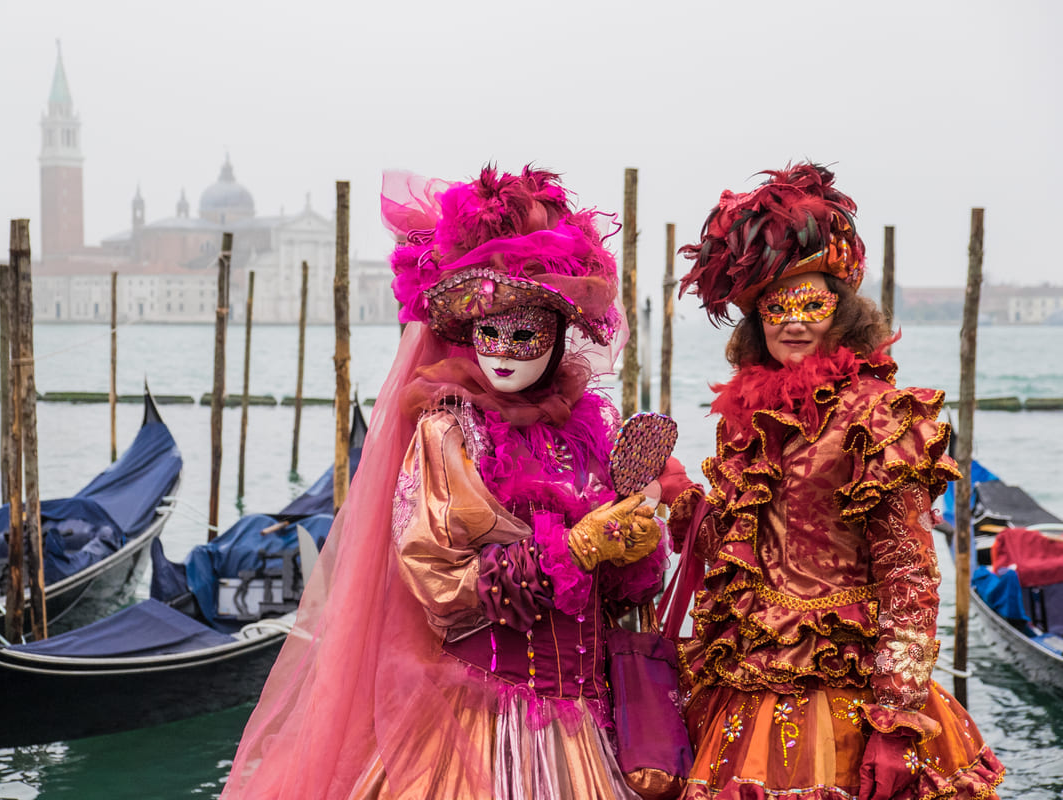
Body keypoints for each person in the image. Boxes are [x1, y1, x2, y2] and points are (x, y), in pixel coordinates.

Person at [222, 165, 668, 799]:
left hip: (588, 726)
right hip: (478, 724)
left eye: (526, 332)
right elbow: (437, 582)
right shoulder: (451, 434)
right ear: (467, 331)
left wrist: (638, 545)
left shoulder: (593, 437)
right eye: (491, 330)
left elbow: (616, 596)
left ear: (560, 333)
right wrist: (574, 549)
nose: (505, 349)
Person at [653, 163, 1005, 799]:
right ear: (754, 318)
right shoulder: (745, 422)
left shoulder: (879, 417)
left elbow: (910, 576)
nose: (792, 321)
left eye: (809, 303)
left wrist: (896, 722)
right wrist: (685, 506)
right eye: (774, 306)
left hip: (849, 691)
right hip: (747, 684)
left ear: (841, 311)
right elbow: (740, 556)